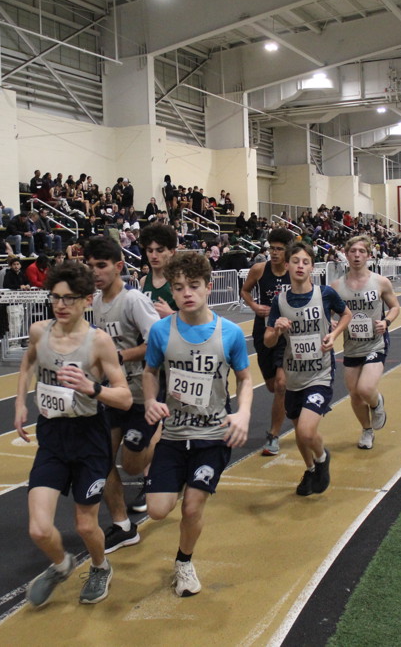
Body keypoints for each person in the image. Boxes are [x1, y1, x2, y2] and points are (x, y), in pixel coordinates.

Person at [15, 261, 131, 607]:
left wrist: (92, 387)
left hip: (89, 438)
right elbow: (28, 363)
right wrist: (20, 403)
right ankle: (61, 564)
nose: (61, 305)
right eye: (55, 297)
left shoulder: (99, 342)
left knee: (85, 526)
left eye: (69, 298)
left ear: (87, 300)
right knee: (39, 529)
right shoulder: (40, 332)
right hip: (52, 435)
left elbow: (124, 397)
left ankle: (99, 566)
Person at [142, 251, 252, 596]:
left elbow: (245, 379)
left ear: (208, 287)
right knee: (157, 510)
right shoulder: (161, 331)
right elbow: (150, 371)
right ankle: (173, 481)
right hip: (174, 434)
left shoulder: (229, 333)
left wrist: (243, 413)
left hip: (212, 435)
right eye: (178, 288)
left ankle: (184, 562)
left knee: (192, 507)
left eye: (193, 285)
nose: (186, 293)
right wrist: (150, 400)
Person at [84, 237, 161, 554]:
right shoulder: (97, 303)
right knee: (100, 458)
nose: (95, 272)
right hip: (114, 394)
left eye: (101, 266)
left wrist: (121, 356)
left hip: (141, 393)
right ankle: (123, 526)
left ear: (118, 266)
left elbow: (157, 341)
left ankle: (161, 441)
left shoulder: (133, 301)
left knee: (131, 465)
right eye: (90, 266)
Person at [264, 241, 350, 495]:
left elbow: (346, 315)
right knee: (299, 433)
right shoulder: (280, 301)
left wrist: (334, 334)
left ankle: (322, 459)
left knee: (305, 430)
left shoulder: (325, 294)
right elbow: (268, 341)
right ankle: (311, 469)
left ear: (313, 267)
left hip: (320, 373)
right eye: (295, 261)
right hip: (293, 376)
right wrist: (276, 330)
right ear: (287, 265)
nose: (300, 266)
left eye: (305, 262)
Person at [332, 236, 399, 450]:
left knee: (366, 388)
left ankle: (377, 402)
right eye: (353, 251)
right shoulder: (337, 286)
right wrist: (331, 322)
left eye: (361, 251)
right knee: (354, 394)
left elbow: (395, 306)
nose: (357, 255)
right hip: (351, 346)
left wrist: (386, 322)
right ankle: (367, 430)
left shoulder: (380, 282)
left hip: (375, 343)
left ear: (368, 255)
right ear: (346, 254)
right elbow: (327, 313)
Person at [240, 228, 294, 455]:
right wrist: (254, 306)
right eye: (272, 248)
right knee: (272, 386)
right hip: (264, 330)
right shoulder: (259, 269)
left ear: (288, 250)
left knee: (281, 384)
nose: (274, 253)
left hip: (287, 333)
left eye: (279, 249)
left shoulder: (295, 270)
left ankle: (273, 435)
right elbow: (245, 291)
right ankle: (289, 399)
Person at [138, 223, 179, 318]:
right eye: (150, 251)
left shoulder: (180, 281)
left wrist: (171, 314)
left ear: (172, 252)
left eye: (160, 250)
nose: (154, 256)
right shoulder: (144, 281)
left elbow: (195, 319)